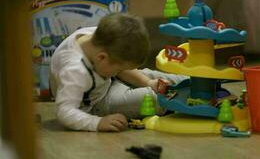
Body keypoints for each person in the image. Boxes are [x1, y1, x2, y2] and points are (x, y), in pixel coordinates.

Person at [49, 13, 186, 132]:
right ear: (102, 57)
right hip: (97, 102)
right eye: (119, 69)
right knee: (150, 98)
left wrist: (147, 82)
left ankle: (197, 81)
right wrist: (97, 123)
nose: (120, 70)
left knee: (154, 78)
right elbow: (64, 112)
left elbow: (121, 69)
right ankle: (191, 100)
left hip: (106, 79)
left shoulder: (99, 39)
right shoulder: (75, 71)